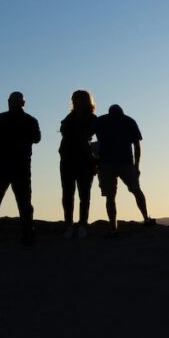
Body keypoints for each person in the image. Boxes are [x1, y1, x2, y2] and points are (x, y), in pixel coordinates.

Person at [0, 92, 41, 247]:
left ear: (9, 102)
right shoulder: (31, 120)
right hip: (22, 167)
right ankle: (28, 236)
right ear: (23, 103)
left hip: (1, 166)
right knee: (24, 204)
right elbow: (37, 139)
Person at [93, 104, 156, 238]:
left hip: (107, 164)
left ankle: (113, 227)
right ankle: (146, 218)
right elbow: (137, 146)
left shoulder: (101, 121)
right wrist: (137, 165)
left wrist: (94, 158)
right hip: (124, 163)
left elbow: (88, 138)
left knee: (111, 196)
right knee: (135, 190)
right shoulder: (128, 121)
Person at [59, 90, 98, 239]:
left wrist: (95, 160)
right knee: (67, 193)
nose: (74, 101)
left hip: (85, 160)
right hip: (68, 159)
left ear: (85, 101)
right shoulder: (69, 117)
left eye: (78, 98)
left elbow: (93, 138)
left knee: (84, 194)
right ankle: (68, 225)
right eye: (73, 98)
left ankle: (82, 225)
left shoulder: (92, 118)